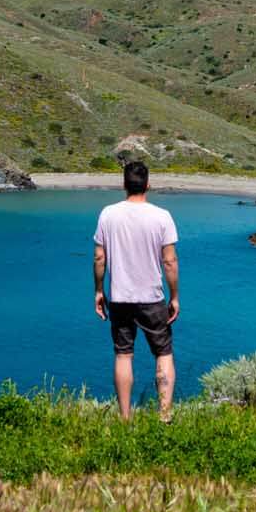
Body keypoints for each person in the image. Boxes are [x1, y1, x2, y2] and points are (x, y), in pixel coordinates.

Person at [92, 160, 179, 422]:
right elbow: (170, 261)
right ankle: (164, 416)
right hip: (152, 298)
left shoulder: (108, 214)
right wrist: (174, 296)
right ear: (148, 184)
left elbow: (99, 258)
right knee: (163, 354)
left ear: (124, 184)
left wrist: (99, 291)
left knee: (123, 355)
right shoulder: (162, 216)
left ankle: (125, 419)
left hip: (120, 297)